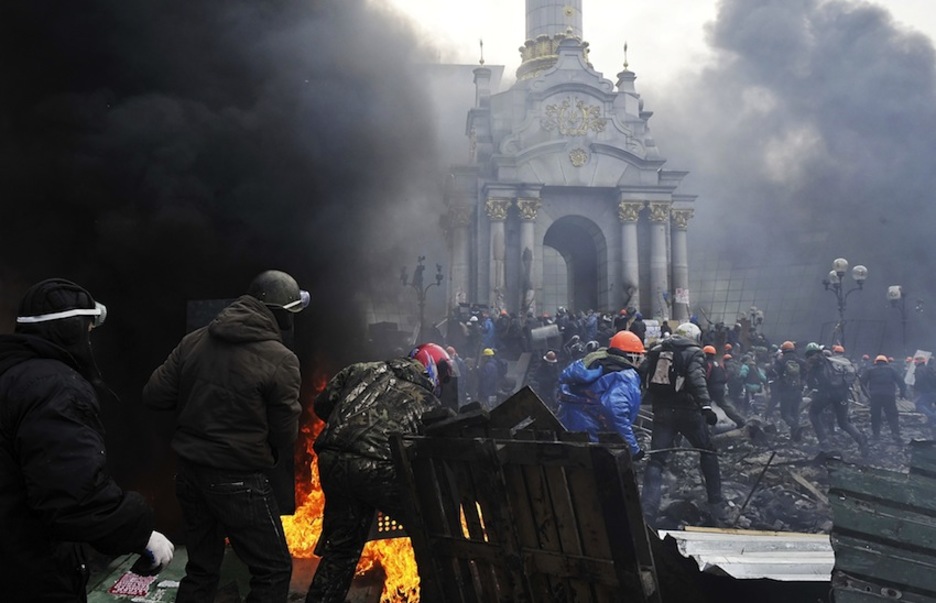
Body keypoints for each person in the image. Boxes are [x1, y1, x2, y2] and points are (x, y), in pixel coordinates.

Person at [0, 278, 173, 602]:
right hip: (30, 573)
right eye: (88, 331)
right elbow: (72, 495)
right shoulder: (55, 387)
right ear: (73, 331)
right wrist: (138, 532)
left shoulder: (11, 375)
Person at [143, 270, 308, 602]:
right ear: (280, 313)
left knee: (202, 567)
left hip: (189, 473)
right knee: (273, 569)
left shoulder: (194, 340)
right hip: (239, 479)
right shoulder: (280, 359)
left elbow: (155, 395)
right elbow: (285, 431)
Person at [305, 343, 451, 603]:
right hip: (377, 469)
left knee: (342, 549)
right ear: (432, 366)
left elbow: (323, 404)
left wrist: (347, 428)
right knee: (427, 533)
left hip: (331, 461)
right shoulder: (427, 400)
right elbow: (427, 448)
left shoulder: (362, 369)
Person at [640, 322, 726, 528]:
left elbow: (642, 373)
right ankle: (716, 504)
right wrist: (706, 406)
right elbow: (697, 380)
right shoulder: (693, 352)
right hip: (688, 411)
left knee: (656, 461)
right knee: (707, 451)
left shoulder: (657, 350)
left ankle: (647, 513)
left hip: (662, 411)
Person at [556, 331, 646, 459]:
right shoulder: (626, 376)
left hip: (565, 427)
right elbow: (615, 411)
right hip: (592, 438)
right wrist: (633, 449)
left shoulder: (593, 363)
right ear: (632, 355)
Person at [803, 342, 868, 457]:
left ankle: (824, 442)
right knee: (843, 422)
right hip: (842, 394)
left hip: (826, 394)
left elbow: (811, 382)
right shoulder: (833, 361)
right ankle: (861, 440)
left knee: (813, 414)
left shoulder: (814, 362)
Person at [860, 355, 907, 444]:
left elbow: (862, 382)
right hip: (889, 395)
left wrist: (867, 395)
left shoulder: (870, 370)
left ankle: (876, 435)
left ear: (875, 362)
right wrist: (902, 393)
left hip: (875, 396)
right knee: (892, 415)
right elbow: (901, 382)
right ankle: (895, 434)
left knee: (875, 415)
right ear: (886, 362)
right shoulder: (891, 369)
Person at [773, 341, 807, 441]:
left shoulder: (781, 361)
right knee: (795, 413)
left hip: (786, 391)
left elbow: (774, 371)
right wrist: (802, 384)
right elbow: (805, 373)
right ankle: (795, 438)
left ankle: (795, 427)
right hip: (797, 391)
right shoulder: (800, 361)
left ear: (783, 350)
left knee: (785, 414)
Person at [703, 345, 744, 428]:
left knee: (704, 406)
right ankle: (740, 420)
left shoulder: (707, 364)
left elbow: (705, 376)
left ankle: (704, 427)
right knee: (724, 405)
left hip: (710, 388)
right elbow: (725, 377)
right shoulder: (718, 364)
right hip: (720, 388)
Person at [911, 355, 936, 431]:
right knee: (929, 406)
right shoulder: (929, 368)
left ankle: (932, 416)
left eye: (915, 361)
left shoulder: (919, 369)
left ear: (919, 361)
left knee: (919, 404)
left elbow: (919, 380)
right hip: (933, 390)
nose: (914, 363)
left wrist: (915, 388)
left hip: (925, 391)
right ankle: (931, 423)